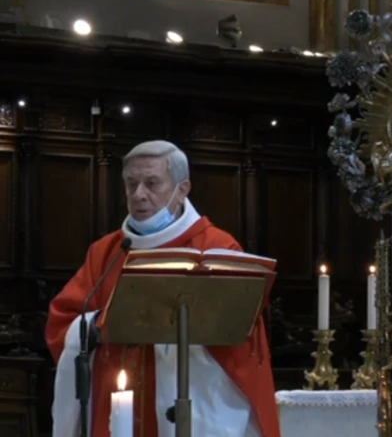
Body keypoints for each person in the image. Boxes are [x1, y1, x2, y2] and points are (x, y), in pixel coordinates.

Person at [45, 140, 280, 437]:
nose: (139, 195)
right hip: (116, 406)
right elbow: (63, 321)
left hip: (190, 405)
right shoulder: (106, 252)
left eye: (151, 183)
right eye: (131, 184)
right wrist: (96, 326)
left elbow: (243, 335)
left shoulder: (217, 247)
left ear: (182, 189)